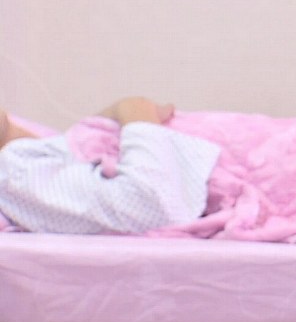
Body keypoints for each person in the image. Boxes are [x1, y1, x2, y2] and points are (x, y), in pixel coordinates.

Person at [0, 97, 220, 234]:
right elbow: (151, 205)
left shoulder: (26, 154)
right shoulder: (12, 173)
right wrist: (136, 113)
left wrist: (104, 122)